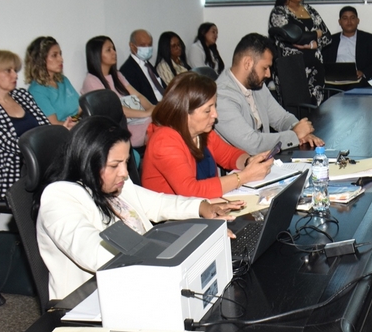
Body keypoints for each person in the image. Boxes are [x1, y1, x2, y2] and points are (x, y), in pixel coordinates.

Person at [36, 116, 237, 300]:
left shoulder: (115, 184)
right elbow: (95, 253)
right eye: (114, 165)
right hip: (94, 300)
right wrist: (181, 247)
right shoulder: (58, 197)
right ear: (88, 161)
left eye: (125, 162)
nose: (124, 173)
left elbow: (158, 203)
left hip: (142, 281)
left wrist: (202, 207)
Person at [142, 72, 274, 199]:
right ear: (184, 112)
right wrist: (244, 177)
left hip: (205, 206)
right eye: (207, 110)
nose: (215, 114)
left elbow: (229, 155)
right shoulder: (164, 141)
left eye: (214, 107)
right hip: (174, 214)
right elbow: (190, 191)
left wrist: (249, 161)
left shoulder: (202, 131)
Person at [215, 33, 324, 154]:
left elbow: (282, 118)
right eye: (265, 68)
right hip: (245, 163)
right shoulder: (221, 97)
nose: (268, 74)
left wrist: (300, 131)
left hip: (267, 159)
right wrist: (294, 135)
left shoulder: (256, 85)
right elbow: (252, 144)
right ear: (247, 63)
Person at [0, 49, 50, 205]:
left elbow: (45, 128)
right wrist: (46, 143)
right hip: (12, 174)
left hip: (40, 164)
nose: (15, 75)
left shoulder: (22, 96)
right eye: (8, 71)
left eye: (15, 70)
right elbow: (10, 144)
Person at [268, 0, 332, 105]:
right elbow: (294, 38)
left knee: (317, 112)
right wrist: (316, 34)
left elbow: (328, 36)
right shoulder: (279, 12)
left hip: (315, 70)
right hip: (291, 71)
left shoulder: (309, 10)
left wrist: (313, 45)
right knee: (295, 112)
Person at [81, 35, 154, 148]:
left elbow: (138, 96)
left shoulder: (117, 75)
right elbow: (114, 109)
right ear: (96, 55)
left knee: (160, 120)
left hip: (135, 120)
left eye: (113, 49)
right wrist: (146, 114)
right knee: (154, 125)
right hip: (117, 129)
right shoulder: (91, 81)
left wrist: (153, 109)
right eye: (108, 50)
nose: (114, 52)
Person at [25, 36, 80, 129]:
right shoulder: (36, 91)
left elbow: (79, 109)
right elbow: (53, 123)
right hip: (61, 132)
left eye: (60, 54)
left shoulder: (63, 80)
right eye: (54, 55)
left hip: (76, 126)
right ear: (40, 60)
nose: (61, 59)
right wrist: (76, 124)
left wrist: (75, 121)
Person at [322, 6, 372, 86]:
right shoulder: (330, 40)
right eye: (345, 18)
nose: (349, 22)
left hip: (359, 82)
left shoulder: (369, 39)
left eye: (352, 18)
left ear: (358, 20)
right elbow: (322, 62)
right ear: (339, 22)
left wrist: (363, 72)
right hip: (334, 82)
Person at [119, 29, 165, 106]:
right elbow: (137, 100)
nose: (147, 48)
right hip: (152, 108)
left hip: (165, 104)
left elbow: (161, 87)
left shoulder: (148, 65)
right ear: (132, 46)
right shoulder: (127, 70)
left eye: (149, 45)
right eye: (143, 45)